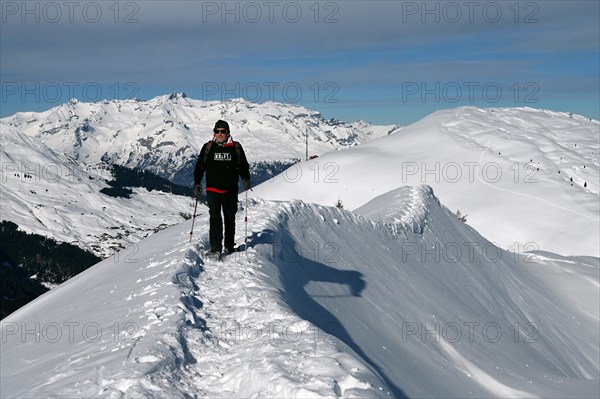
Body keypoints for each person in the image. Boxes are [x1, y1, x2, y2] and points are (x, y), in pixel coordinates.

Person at [193, 120, 251, 255]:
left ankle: (229, 246)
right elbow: (200, 166)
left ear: (228, 132)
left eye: (222, 131)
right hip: (212, 189)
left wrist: (246, 179)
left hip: (230, 190)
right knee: (215, 218)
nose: (219, 134)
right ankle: (215, 248)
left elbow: (243, 165)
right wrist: (197, 183)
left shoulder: (235, 147)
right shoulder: (208, 147)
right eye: (217, 131)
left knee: (230, 217)